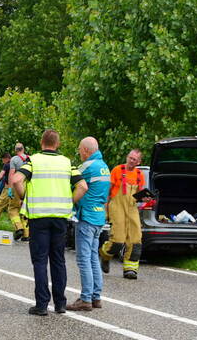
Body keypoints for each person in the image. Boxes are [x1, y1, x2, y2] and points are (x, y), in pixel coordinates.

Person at [12, 129, 87, 316]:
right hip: (60, 218)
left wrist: (24, 196)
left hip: (39, 218)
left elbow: (16, 180)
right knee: (58, 260)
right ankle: (60, 304)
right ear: (58, 143)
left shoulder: (33, 161)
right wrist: (69, 201)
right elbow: (82, 186)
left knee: (40, 261)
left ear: (41, 142)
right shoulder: (67, 162)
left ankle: (42, 305)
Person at [67, 137, 111, 312]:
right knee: (93, 257)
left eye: (79, 149)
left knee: (83, 259)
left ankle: (85, 299)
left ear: (86, 150)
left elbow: (70, 179)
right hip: (99, 217)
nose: (79, 152)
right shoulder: (104, 166)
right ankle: (96, 296)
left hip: (87, 218)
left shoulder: (87, 167)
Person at [100, 149, 146, 279]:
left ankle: (130, 269)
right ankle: (105, 256)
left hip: (132, 209)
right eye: (130, 157)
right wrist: (104, 208)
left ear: (138, 162)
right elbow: (108, 191)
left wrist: (145, 199)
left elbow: (140, 195)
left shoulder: (139, 174)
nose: (131, 161)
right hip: (117, 207)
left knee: (136, 240)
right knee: (117, 241)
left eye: (134, 159)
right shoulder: (117, 170)